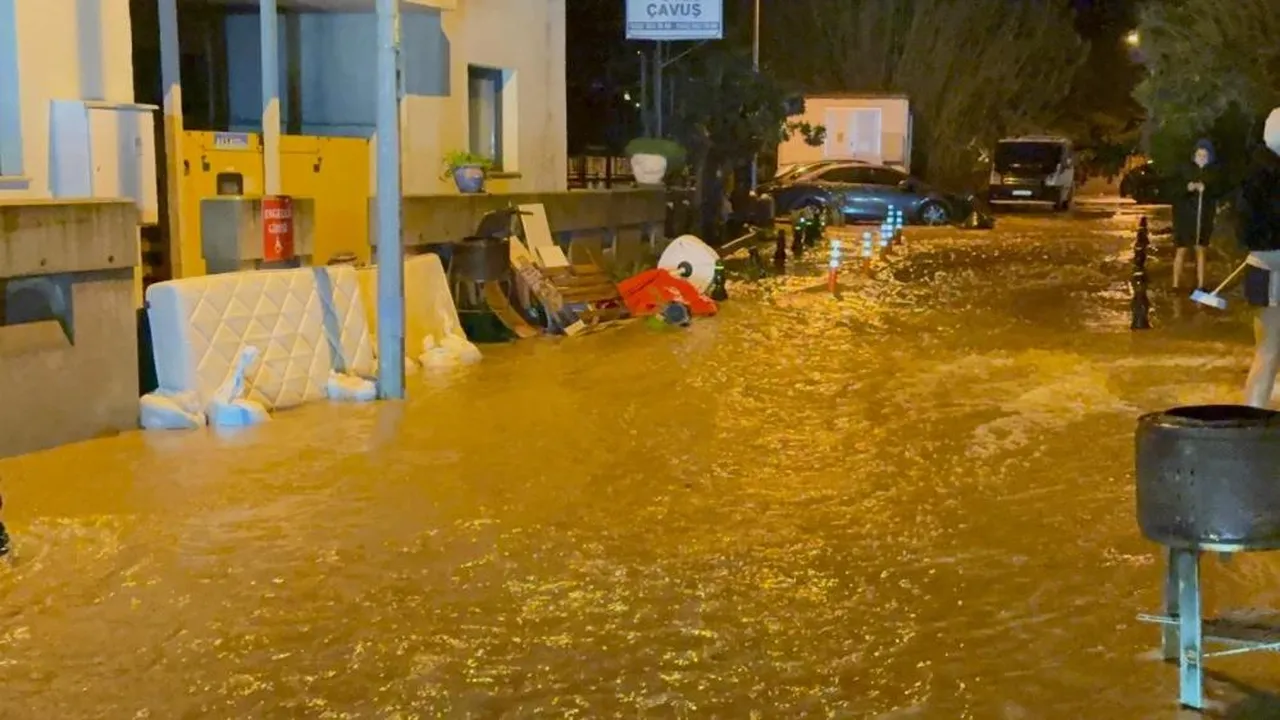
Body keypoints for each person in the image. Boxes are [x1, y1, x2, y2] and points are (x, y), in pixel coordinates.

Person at [1240, 108, 1280, 408]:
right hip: (1272, 271)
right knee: (1268, 352)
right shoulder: (1271, 176)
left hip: (1258, 266)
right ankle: (1252, 425)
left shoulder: (1254, 170)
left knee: (1266, 350)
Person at [1172, 138, 1222, 290]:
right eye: (1199, 155)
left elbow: (1217, 191)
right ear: (1194, 155)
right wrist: (1187, 187)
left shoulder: (1213, 173)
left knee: (1201, 250)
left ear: (1209, 158)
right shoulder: (1184, 170)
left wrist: (1206, 188)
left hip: (1203, 218)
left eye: (1204, 156)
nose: (1201, 158)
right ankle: (1175, 284)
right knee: (1181, 249)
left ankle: (1201, 285)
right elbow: (1174, 191)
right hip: (1185, 218)